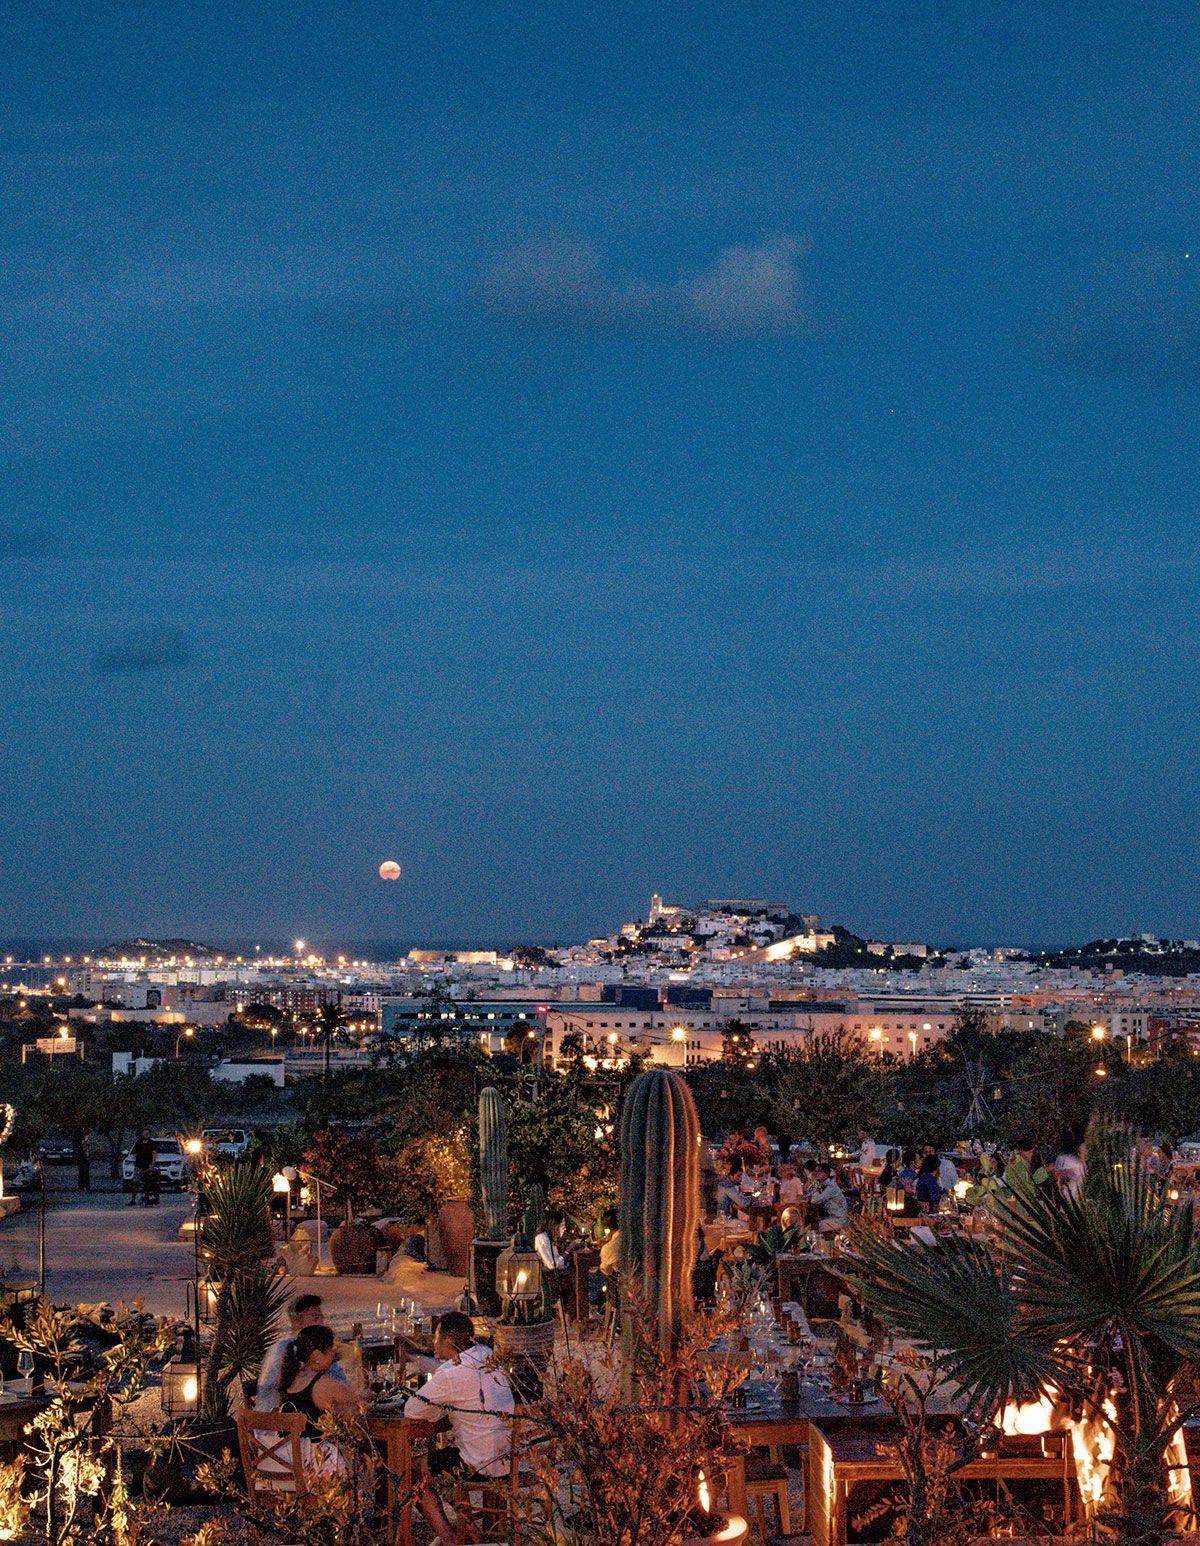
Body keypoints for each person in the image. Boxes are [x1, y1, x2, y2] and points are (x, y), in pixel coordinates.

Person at [403, 1311, 515, 1546]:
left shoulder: (451, 1375)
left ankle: (450, 1539)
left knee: (413, 1470)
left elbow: (412, 1410)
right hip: (505, 1457)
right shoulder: (487, 1355)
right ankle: (473, 1534)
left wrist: (437, 1409)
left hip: (478, 1463)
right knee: (444, 1463)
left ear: (445, 1341)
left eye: (435, 1337)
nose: (433, 1343)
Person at [279, 1324, 363, 1475]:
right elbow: (358, 1400)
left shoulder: (290, 1379)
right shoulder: (323, 1384)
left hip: (285, 1462)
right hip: (317, 1465)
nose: (333, 1354)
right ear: (317, 1356)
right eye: (330, 1350)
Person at [257, 1294, 346, 1412]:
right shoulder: (282, 1348)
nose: (321, 1323)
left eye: (321, 1318)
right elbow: (271, 1390)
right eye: (315, 1317)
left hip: (315, 1414)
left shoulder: (321, 1348)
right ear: (296, 1322)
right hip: (282, 1421)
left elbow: (341, 1381)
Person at [807, 1162, 849, 1233]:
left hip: (839, 1220)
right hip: (830, 1217)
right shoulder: (822, 1184)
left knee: (814, 1227)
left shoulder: (831, 1187)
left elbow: (814, 1200)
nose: (816, 1173)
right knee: (807, 1227)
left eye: (819, 1171)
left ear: (827, 1173)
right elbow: (810, 1194)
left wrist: (815, 1190)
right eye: (815, 1171)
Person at [128, 1131, 156, 1206]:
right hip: (138, 1166)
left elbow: (154, 1154)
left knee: (148, 1182)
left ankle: (147, 1199)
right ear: (142, 1134)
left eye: (147, 1133)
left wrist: (152, 1165)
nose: (146, 1134)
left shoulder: (152, 1143)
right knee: (135, 1182)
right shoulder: (138, 1142)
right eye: (144, 1133)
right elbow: (135, 1153)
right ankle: (133, 1199)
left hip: (148, 1166)